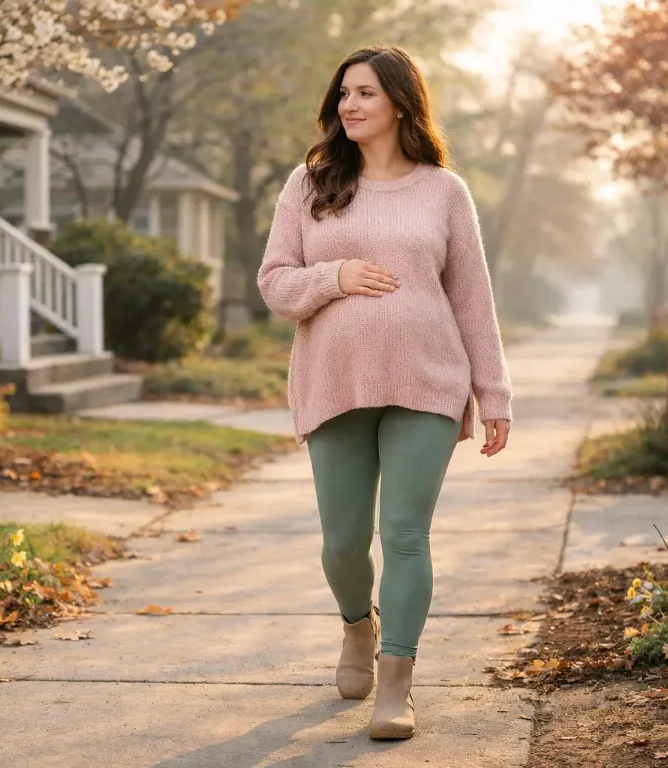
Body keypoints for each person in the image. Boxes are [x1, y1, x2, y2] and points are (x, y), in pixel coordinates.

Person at [256, 45, 514, 740]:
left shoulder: (444, 191)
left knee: (404, 535)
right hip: (334, 382)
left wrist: (493, 393)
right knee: (344, 542)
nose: (350, 105)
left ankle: (396, 682)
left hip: (429, 382)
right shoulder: (309, 184)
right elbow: (274, 282)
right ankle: (357, 626)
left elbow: (472, 298)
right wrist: (335, 277)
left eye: (365, 92)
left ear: (401, 102)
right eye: (344, 93)